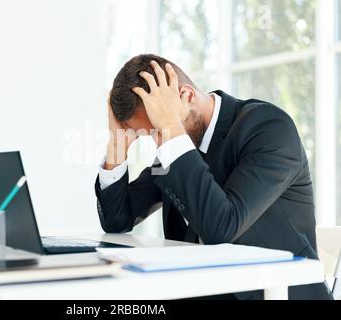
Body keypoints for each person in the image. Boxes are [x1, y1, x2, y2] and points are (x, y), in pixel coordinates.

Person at [94, 53, 333, 300]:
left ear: (185, 96)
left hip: (276, 293)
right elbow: (117, 222)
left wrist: (170, 130)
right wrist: (117, 144)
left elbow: (221, 227)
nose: (156, 142)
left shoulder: (268, 128)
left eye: (156, 130)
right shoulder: (172, 144)